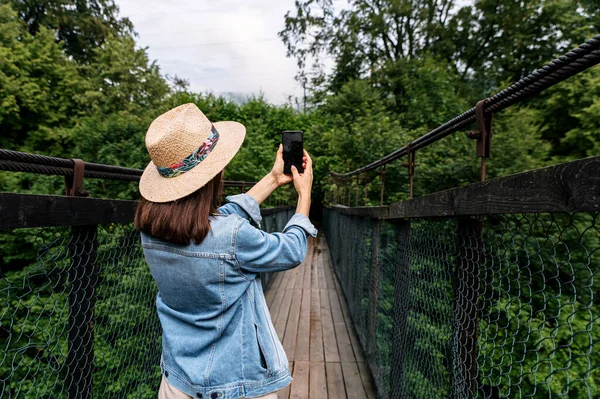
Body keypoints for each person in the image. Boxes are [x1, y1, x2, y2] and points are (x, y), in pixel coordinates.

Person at [134, 103, 317, 399]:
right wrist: (304, 194)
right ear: (214, 174)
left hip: (177, 381)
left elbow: (218, 220)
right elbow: (291, 250)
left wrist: (272, 179)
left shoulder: (150, 230)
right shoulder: (232, 236)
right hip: (237, 385)